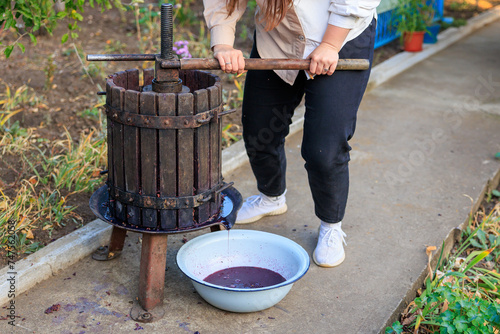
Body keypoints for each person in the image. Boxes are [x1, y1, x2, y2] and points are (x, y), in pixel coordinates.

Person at [203, 0, 380, 267]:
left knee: (324, 149)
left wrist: (331, 44)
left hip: (340, 35)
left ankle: (331, 225)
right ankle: (271, 197)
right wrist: (223, 44)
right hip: (278, 39)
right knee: (258, 130)